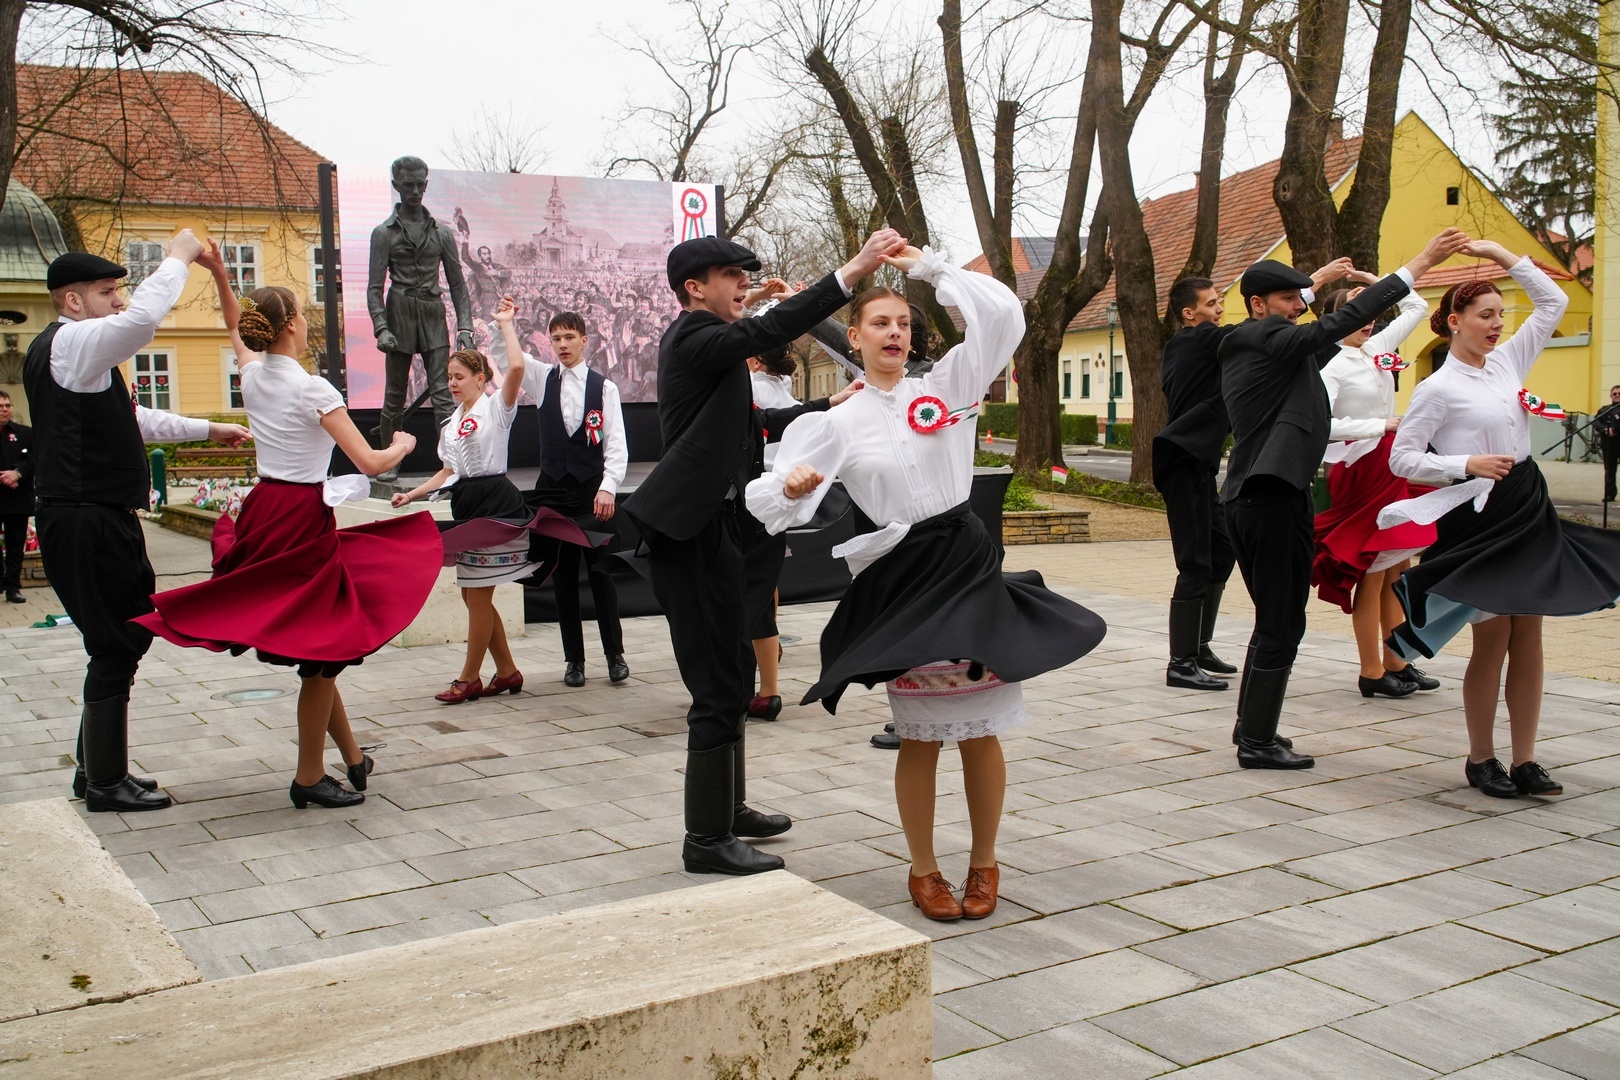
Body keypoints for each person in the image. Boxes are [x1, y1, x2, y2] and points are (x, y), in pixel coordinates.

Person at [747, 245, 1106, 921]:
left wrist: (933, 268)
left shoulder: (947, 388)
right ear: (854, 338)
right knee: (919, 733)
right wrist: (790, 486)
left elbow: (1003, 318)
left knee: (981, 726)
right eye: (879, 323)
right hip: (904, 581)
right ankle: (924, 869)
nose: (894, 333)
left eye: (903, 324)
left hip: (965, 568)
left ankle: (985, 863)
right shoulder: (837, 422)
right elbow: (770, 501)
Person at [622, 229, 901, 877]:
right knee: (716, 684)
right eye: (731, 275)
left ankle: (729, 808)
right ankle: (705, 838)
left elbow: (757, 424)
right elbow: (764, 331)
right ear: (695, 288)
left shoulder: (714, 351)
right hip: (687, 532)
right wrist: (852, 271)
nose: (743, 283)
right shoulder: (692, 336)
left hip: (721, 526)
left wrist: (828, 404)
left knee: (735, 670)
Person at [138, 255, 440, 809]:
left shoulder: (253, 375)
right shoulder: (311, 389)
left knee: (321, 643)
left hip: (265, 508)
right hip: (301, 516)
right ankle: (308, 777)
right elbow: (371, 463)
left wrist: (222, 275)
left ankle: (353, 758)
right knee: (322, 653)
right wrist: (402, 445)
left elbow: (235, 327)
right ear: (294, 323)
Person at [1219, 228, 1468, 771]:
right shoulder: (1262, 338)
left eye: (1300, 299)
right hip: (1267, 498)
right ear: (1258, 305)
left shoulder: (1266, 341)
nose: (1300, 307)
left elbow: (1320, 323)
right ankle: (1257, 740)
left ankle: (1253, 728)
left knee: (1278, 621)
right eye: (1289, 300)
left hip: (1268, 496)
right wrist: (1423, 258)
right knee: (1282, 623)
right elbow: (1336, 323)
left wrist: (1316, 281)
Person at [1385, 240, 1620, 799]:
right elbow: (1402, 458)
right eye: (1485, 315)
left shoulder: (1508, 361)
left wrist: (1500, 255)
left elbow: (1553, 302)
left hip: (1526, 503)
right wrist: (1464, 463)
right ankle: (1481, 758)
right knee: (1492, 638)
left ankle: (1526, 759)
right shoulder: (1437, 388)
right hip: (1478, 514)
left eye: (1500, 315)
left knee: (1529, 632)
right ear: (1455, 321)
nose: (1497, 325)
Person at [22, 236, 251, 812]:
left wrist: (208, 428)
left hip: (91, 515)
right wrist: (178, 255)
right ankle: (104, 781)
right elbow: (143, 321)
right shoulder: (72, 341)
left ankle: (95, 770)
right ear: (72, 301)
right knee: (115, 641)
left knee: (117, 638)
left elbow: (134, 419)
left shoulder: (76, 356)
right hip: (86, 516)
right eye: (107, 292)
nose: (118, 301)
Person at [392, 298, 549, 702]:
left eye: (460, 376)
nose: (453, 383)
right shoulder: (450, 425)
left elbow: (516, 369)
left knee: (477, 593)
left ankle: (469, 678)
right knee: (471, 593)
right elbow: (447, 471)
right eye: (449, 377)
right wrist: (411, 494)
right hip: (466, 505)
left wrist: (505, 324)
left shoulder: (497, 408)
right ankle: (508, 672)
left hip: (495, 505)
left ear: (481, 379)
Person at [1312, 281, 1441, 699]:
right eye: (1359, 311)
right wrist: (1379, 425)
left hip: (1390, 460)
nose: (1368, 320)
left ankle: (1397, 661)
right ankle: (1371, 670)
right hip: (1360, 465)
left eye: (1371, 311)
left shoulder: (1377, 346)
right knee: (1373, 568)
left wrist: (1374, 282)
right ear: (1337, 319)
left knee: (1397, 567)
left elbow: (1416, 306)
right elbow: (1322, 425)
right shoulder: (1332, 366)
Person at [493, 310, 630, 688]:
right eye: (556, 339)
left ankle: (614, 655)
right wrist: (503, 324)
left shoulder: (605, 388)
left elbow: (616, 444)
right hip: (554, 493)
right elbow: (507, 359)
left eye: (569, 337)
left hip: (592, 494)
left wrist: (608, 486)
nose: (563, 345)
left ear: (585, 340)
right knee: (565, 577)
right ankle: (574, 661)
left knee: (601, 575)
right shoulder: (541, 377)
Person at [1153, 277, 1239, 694]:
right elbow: (1251, 333)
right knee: (1195, 563)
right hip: (1182, 462)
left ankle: (1199, 647)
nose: (1219, 309)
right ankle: (1180, 663)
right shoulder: (1197, 339)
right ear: (1189, 314)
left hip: (1198, 463)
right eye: (1212, 303)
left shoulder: (1194, 345)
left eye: (1219, 302)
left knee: (1222, 551)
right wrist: (1313, 287)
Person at [368, 155, 474, 482]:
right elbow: (374, 288)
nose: (415, 191)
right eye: (408, 185)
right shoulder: (383, 233)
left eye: (419, 185)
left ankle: (450, 463)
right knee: (394, 395)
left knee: (443, 393)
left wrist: (465, 326)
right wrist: (381, 327)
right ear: (396, 185)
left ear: (426, 185)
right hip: (399, 313)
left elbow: (458, 284)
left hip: (432, 314)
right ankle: (389, 462)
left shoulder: (442, 233)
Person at [741, 341, 802, 722]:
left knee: (747, 589)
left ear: (758, 357)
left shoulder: (750, 386)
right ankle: (769, 688)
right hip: (781, 496)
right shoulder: (786, 390)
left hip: (751, 492)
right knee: (765, 582)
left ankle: (756, 687)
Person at [0, 391, 32, 603]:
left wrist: (17, 472)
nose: (5, 409)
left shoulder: (25, 433)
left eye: (7, 405)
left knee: (15, 545)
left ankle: (12, 587)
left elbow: (37, 458)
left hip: (17, 498)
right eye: (0, 406)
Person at [1596, 384, 1620, 503]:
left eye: (1619, 393)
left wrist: (1614, 430)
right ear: (1611, 396)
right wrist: (1605, 430)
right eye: (1615, 393)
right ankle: (1610, 494)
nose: (1617, 395)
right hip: (1608, 444)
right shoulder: (1605, 409)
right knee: (1609, 470)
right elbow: (1596, 422)